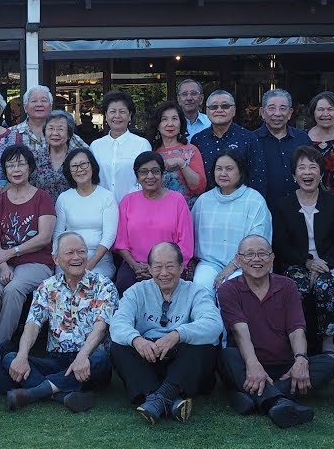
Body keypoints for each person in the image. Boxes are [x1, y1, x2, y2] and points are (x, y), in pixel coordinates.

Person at [216, 235, 334, 428]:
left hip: (284, 367)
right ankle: (278, 402)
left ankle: (252, 397)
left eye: (262, 254)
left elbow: (296, 328)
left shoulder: (287, 285)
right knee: (227, 355)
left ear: (272, 258)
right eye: (249, 254)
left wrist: (300, 359)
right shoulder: (228, 290)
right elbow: (240, 330)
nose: (256, 259)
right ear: (238, 260)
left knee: (329, 363)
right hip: (247, 363)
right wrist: (253, 364)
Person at [3, 232, 119, 413]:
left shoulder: (103, 285)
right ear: (56, 259)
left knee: (101, 358)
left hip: (90, 359)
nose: (77, 257)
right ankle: (62, 395)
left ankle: (33, 393)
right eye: (69, 253)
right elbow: (33, 324)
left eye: (81, 252)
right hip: (57, 360)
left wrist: (82, 356)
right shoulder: (47, 287)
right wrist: (22, 355)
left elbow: (101, 327)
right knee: (11, 358)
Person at [109, 241, 221, 424]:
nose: (164, 273)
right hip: (150, 356)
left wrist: (178, 334)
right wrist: (137, 340)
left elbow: (214, 324)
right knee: (119, 347)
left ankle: (155, 399)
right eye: (158, 267)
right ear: (150, 269)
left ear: (181, 267)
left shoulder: (196, 292)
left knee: (203, 347)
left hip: (181, 360)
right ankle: (172, 401)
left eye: (170, 266)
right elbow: (118, 323)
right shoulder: (136, 291)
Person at [270, 146, 334, 354]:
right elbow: (281, 244)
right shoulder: (283, 205)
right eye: (302, 168)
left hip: (330, 262)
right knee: (295, 288)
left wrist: (322, 264)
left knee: (324, 286)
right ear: (294, 174)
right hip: (297, 263)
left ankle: (328, 341)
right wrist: (307, 262)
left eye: (313, 167)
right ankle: (295, 341)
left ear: (321, 173)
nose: (307, 173)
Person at [0, 145, 57, 347]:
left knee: (14, 289)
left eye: (21, 164)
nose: (16, 170)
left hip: (37, 261)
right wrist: (4, 265)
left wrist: (12, 252)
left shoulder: (42, 197)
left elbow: (44, 237)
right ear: (5, 170)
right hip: (4, 260)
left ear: (30, 168)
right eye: (10, 165)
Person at [111, 151, 195, 295]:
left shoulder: (177, 201)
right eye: (143, 172)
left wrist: (160, 269)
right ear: (137, 176)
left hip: (168, 267)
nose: (150, 176)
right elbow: (121, 242)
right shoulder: (128, 201)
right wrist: (135, 265)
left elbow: (185, 244)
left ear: (162, 174)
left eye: (155, 171)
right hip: (135, 266)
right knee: (124, 285)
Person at [191, 150, 273, 292]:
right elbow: (190, 235)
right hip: (209, 263)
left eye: (229, 169)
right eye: (219, 169)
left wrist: (232, 266)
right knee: (200, 285)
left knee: (229, 288)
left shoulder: (254, 200)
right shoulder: (204, 200)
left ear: (240, 172)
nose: (223, 173)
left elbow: (258, 241)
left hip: (247, 263)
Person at [53, 147, 118, 280]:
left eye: (83, 164)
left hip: (99, 261)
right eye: (74, 166)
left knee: (90, 283)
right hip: (68, 259)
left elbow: (109, 236)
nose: (80, 169)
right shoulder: (64, 198)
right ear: (69, 171)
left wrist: (88, 266)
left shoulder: (107, 197)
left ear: (92, 166)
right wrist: (62, 261)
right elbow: (58, 234)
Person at [191, 89, 267, 196]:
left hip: (241, 203)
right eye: (213, 107)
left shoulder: (249, 138)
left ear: (234, 110)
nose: (219, 110)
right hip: (206, 205)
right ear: (207, 111)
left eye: (225, 106)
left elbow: (258, 178)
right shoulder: (198, 140)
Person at [90, 90, 152, 200]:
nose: (117, 116)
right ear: (106, 115)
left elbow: (147, 178)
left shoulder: (142, 144)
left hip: (134, 206)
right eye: (112, 111)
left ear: (130, 115)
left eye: (122, 112)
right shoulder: (95, 146)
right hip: (101, 207)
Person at [254, 88, 312, 205]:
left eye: (283, 108)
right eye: (271, 108)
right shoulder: (251, 140)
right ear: (262, 112)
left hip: (298, 207)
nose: (277, 113)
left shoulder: (303, 139)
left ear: (290, 113)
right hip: (263, 207)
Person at [147, 100, 206, 207]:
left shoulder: (191, 150)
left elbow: (199, 188)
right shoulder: (151, 152)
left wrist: (181, 163)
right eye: (164, 119)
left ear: (181, 123)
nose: (170, 124)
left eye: (174, 119)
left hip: (186, 211)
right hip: (157, 210)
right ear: (157, 125)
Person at [9, 85, 87, 161]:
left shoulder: (65, 134)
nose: (39, 104)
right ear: (25, 108)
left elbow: (88, 158)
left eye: (44, 100)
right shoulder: (11, 134)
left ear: (51, 107)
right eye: (34, 101)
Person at [30, 110, 78, 202]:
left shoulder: (77, 158)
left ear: (69, 134)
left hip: (72, 211)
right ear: (45, 132)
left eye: (60, 129)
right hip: (42, 212)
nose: (55, 133)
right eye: (51, 129)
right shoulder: (35, 157)